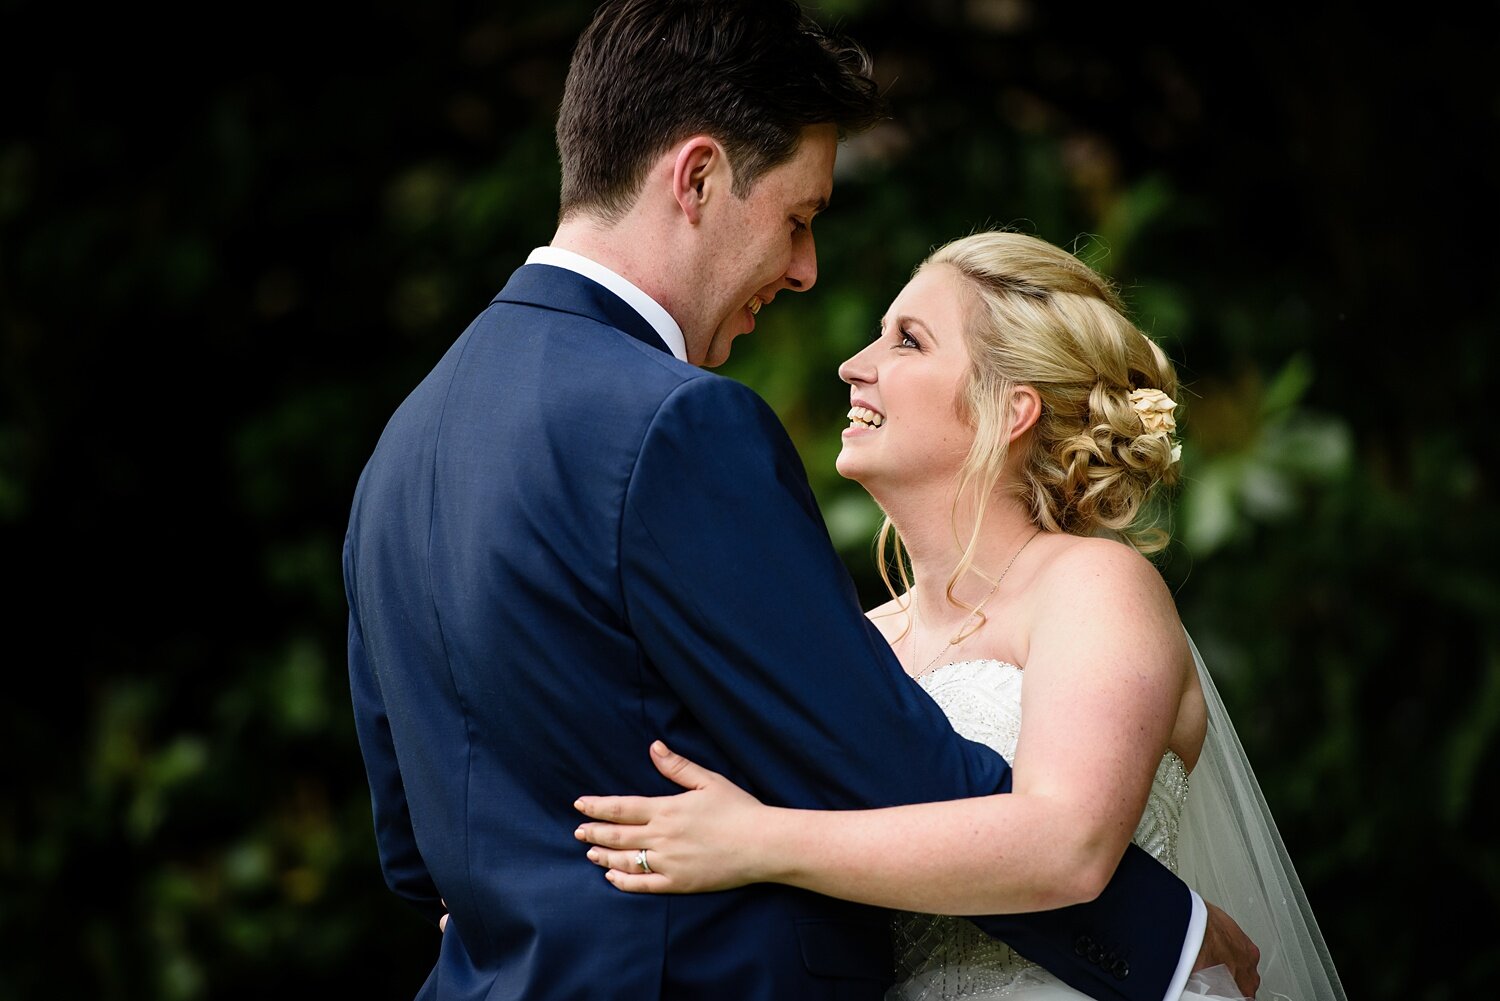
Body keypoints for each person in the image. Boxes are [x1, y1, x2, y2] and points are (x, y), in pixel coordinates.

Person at [342, 1, 1258, 998]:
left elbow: (414, 848)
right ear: (696, 178)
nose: (804, 269)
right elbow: (868, 758)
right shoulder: (674, 426)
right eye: (798, 219)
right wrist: (1167, 932)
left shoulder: (403, 449)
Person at [571, 230, 1348, 1001]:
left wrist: (760, 842)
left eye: (907, 341)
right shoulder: (863, 640)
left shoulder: (1094, 585)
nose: (854, 366)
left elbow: (1067, 847)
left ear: (1011, 409)